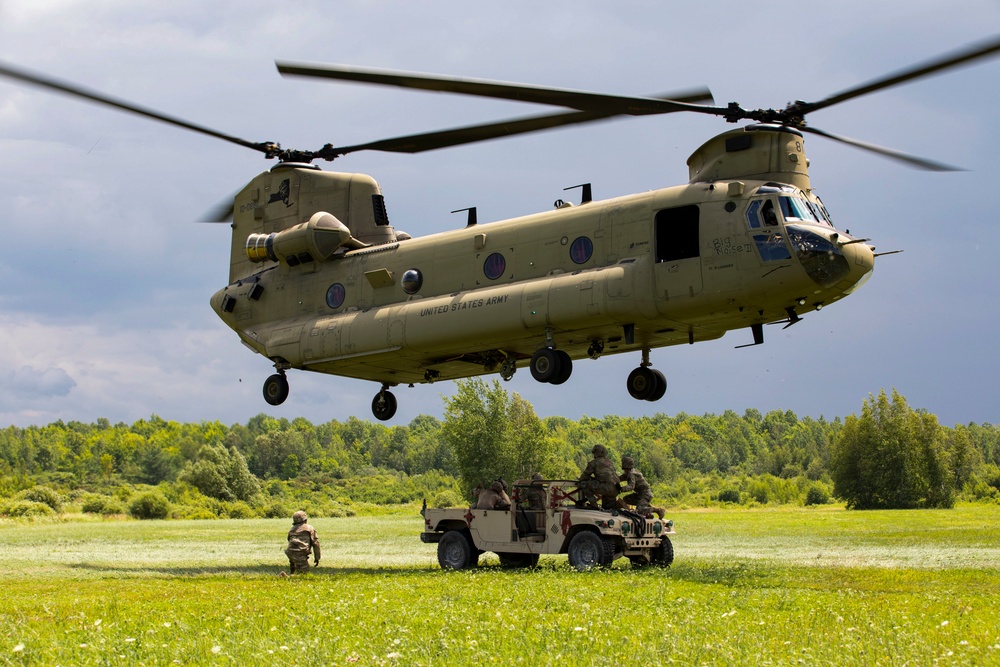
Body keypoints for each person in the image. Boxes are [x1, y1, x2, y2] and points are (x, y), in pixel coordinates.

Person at [577, 444, 620, 510]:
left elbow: (585, 475)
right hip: (615, 489)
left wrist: (580, 480)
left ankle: (593, 505)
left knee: (584, 484)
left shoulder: (593, 463)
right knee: (608, 509)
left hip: (606, 487)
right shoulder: (610, 462)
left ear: (596, 453)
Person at [283, 510, 321, 575]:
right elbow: (315, 543)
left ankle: (290, 576)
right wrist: (317, 557)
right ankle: (283, 576)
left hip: (290, 552)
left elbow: (289, 539)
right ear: (305, 520)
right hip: (301, 553)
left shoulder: (292, 529)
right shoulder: (309, 528)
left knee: (293, 570)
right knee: (303, 574)